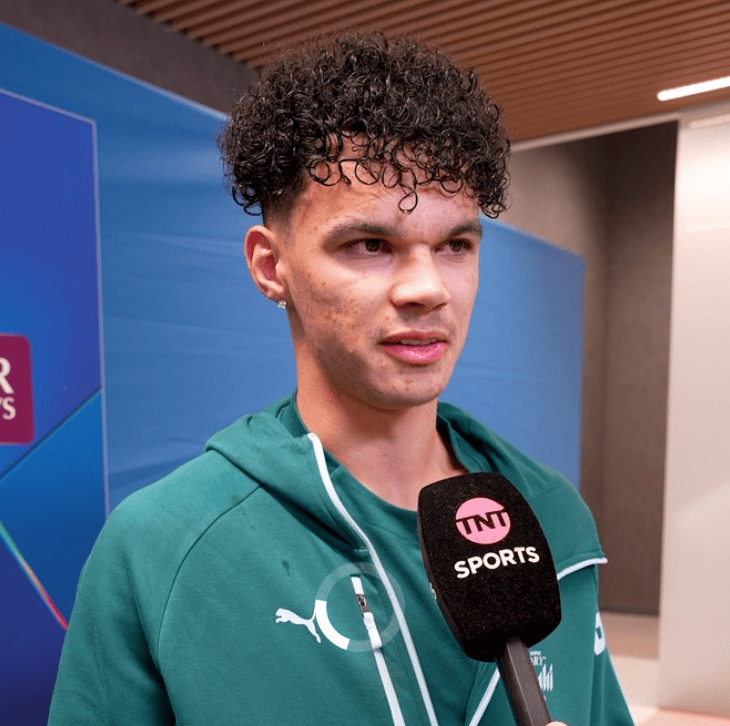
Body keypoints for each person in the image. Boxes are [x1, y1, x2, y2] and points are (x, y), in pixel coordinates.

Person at [48, 32, 634, 726]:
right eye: (371, 244)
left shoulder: (553, 516)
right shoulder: (160, 546)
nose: (428, 289)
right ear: (271, 267)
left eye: (455, 245)